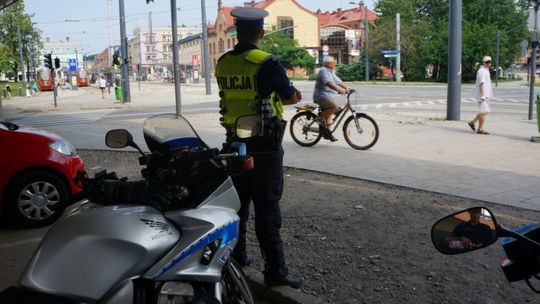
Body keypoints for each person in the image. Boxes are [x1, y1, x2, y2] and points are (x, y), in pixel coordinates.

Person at [215, 7, 303, 289]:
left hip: (233, 147)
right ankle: (276, 271)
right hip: (264, 148)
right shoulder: (267, 63)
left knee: (236, 207)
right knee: (267, 211)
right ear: (262, 33)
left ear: (236, 33)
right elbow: (290, 98)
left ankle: (237, 256)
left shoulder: (223, 62)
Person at [313, 56, 349, 141]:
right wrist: (339, 90)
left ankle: (328, 134)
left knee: (329, 115)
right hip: (321, 96)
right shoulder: (323, 71)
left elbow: (338, 81)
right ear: (328, 64)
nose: (335, 63)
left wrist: (347, 88)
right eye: (334, 62)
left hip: (328, 96)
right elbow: (329, 84)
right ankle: (318, 118)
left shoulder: (330, 71)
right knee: (335, 108)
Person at [468, 56, 493, 135]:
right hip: (483, 95)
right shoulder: (482, 71)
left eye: (489, 62)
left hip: (485, 94)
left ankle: (473, 122)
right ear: (483, 62)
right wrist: (483, 96)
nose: (488, 63)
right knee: (484, 112)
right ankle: (480, 129)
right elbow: (481, 83)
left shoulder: (485, 70)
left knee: (483, 111)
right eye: (487, 62)